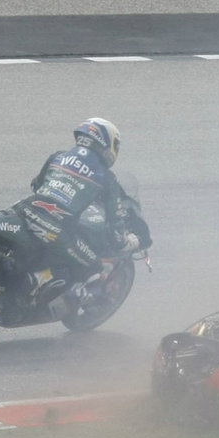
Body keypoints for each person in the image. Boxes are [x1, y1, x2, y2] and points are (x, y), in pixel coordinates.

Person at [11, 117, 150, 306]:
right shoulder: (106, 178)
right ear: (107, 143)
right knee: (92, 265)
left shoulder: (58, 156)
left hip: (23, 210)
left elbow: (37, 184)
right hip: (56, 229)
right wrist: (128, 241)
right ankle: (37, 279)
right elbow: (115, 224)